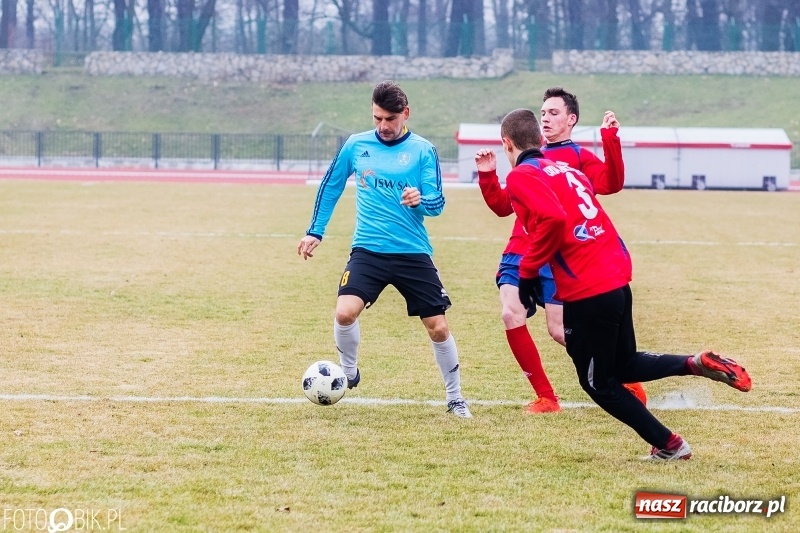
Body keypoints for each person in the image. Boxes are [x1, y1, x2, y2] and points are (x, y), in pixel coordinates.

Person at [474, 108, 751, 460]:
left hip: (587, 286)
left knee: (597, 383)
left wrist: (528, 274)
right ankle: (694, 363)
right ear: (541, 141)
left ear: (506, 144)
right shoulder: (563, 170)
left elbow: (554, 218)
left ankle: (670, 444)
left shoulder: (523, 174)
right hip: (615, 274)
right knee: (622, 365)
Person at [297, 80, 471, 418]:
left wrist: (420, 200)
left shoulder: (423, 150)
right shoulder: (356, 145)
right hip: (368, 250)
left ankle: (455, 397)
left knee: (438, 327)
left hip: (412, 252)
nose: (383, 126)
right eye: (377, 118)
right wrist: (315, 231)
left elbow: (437, 204)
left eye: (390, 119)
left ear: (405, 114)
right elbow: (331, 185)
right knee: (344, 312)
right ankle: (348, 372)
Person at [478, 86, 645, 414]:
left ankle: (622, 377)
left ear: (572, 120)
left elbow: (610, 183)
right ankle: (546, 397)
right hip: (521, 250)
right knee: (510, 313)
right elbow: (503, 206)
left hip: (558, 255)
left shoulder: (577, 157)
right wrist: (487, 176)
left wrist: (610, 139)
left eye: (553, 113)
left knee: (559, 329)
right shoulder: (526, 158)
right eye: (542, 114)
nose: (546, 119)